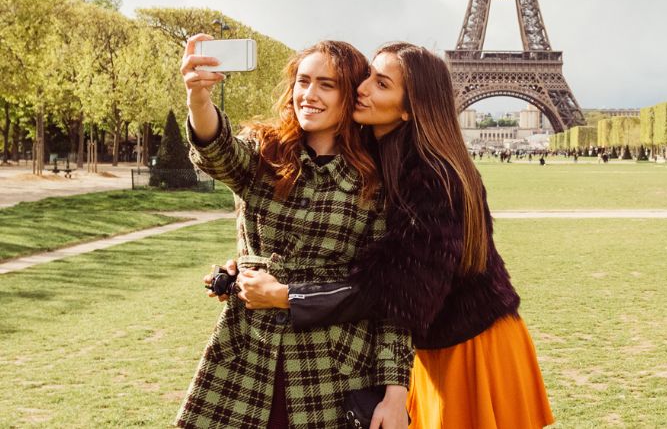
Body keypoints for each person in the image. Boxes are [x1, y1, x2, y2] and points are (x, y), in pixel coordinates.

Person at [227, 42, 554, 428]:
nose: (362, 88)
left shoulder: (434, 176)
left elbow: (396, 288)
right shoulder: (378, 154)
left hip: (471, 347)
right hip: (427, 348)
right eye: (367, 77)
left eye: (381, 84)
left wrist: (286, 296)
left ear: (408, 108)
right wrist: (252, 266)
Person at [178, 35, 412, 429]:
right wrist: (198, 100)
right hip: (248, 353)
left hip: (332, 368)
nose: (310, 94)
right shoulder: (262, 152)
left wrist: (396, 390)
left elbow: (388, 296)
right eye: (303, 81)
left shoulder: (377, 182)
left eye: (327, 84)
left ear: (349, 95)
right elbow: (218, 150)